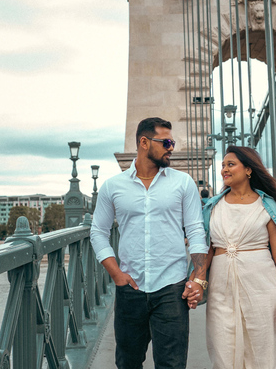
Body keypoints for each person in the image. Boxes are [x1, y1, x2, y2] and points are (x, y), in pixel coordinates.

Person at [90, 117, 208, 369]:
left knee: (172, 364)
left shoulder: (183, 183)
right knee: (128, 363)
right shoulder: (113, 187)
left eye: (172, 142)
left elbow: (197, 231)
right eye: (166, 142)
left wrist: (199, 278)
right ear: (144, 142)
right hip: (130, 288)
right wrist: (116, 274)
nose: (171, 147)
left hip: (172, 288)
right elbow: (98, 231)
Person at [189, 145, 276, 369]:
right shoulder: (212, 207)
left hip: (262, 287)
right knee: (223, 351)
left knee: (263, 348)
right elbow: (207, 250)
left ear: (248, 170)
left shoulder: (267, 206)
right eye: (222, 166)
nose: (224, 170)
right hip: (221, 288)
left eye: (230, 164)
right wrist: (197, 281)